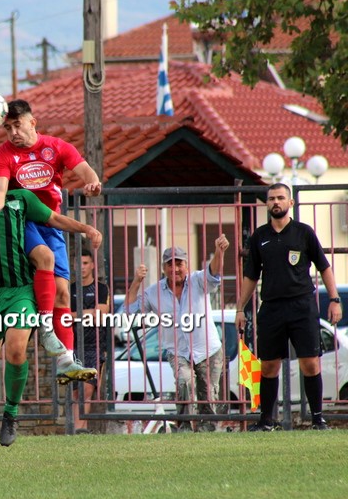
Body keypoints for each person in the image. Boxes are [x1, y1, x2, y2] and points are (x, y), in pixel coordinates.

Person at [0, 150, 102, 469]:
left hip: (20, 291)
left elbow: (54, 219)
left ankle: (10, 414)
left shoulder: (20, 198)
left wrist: (85, 229)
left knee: (16, 351)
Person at [0, 99, 103, 368]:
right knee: (44, 257)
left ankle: (67, 360)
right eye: (7, 128)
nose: (13, 132)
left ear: (32, 122)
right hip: (21, 221)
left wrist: (93, 183)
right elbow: (0, 189)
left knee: (62, 292)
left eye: (17, 125)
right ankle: (46, 328)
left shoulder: (56, 146)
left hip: (52, 223)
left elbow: (85, 171)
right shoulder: (4, 154)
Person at [235, 183, 342, 431]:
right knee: (269, 365)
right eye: (271, 198)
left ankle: (317, 418)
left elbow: (324, 267)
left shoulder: (304, 233)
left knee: (310, 363)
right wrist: (240, 308)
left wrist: (335, 300)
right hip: (271, 307)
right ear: (267, 203)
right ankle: (266, 421)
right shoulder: (259, 237)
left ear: (290, 203)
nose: (276, 202)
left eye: (281, 198)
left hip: (302, 306)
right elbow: (251, 276)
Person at [123, 235, 230, 432]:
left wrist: (219, 252)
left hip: (208, 348)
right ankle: (185, 427)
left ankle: (209, 429)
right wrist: (137, 281)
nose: (175, 269)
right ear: (164, 269)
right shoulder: (154, 292)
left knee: (209, 394)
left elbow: (213, 272)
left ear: (186, 265)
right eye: (170, 265)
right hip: (178, 351)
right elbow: (128, 311)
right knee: (184, 383)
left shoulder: (198, 281)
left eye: (179, 264)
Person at [70, 248, 110, 434]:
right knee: (76, 391)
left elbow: (101, 315)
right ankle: (77, 430)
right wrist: (88, 313)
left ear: (92, 265)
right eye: (79, 263)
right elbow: (63, 316)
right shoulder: (70, 290)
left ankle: (80, 429)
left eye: (86, 263)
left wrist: (77, 315)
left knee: (87, 389)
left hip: (94, 345)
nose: (82, 267)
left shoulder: (101, 289)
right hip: (72, 344)